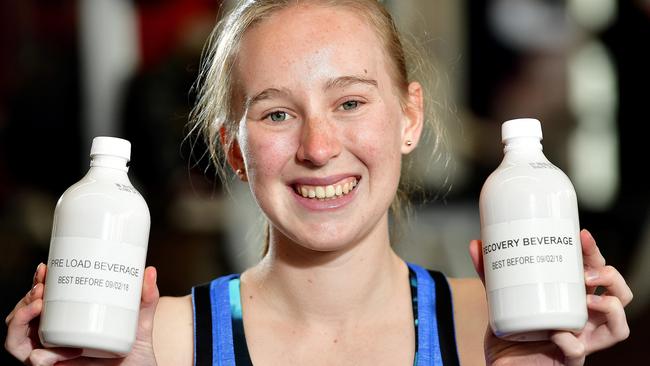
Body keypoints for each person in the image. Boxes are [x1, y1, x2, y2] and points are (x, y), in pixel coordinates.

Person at [4, 1, 633, 365]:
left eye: (351, 103)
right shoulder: (155, 344)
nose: (318, 147)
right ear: (235, 150)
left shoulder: (499, 330)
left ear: (409, 117)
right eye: (277, 113)